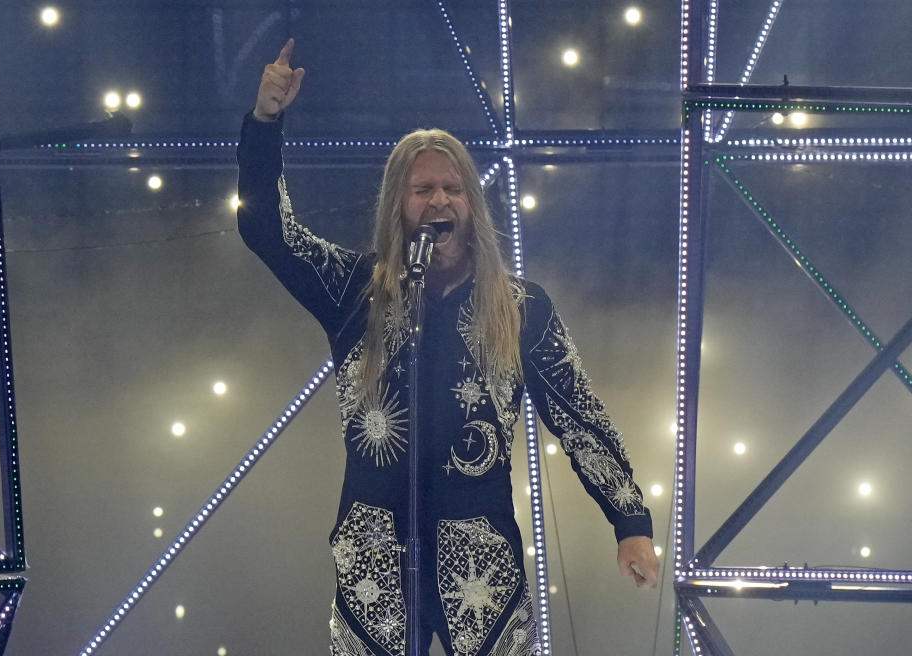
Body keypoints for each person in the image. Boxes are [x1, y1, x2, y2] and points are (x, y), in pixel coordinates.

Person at [238, 39, 659, 656]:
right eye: (422, 190)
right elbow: (266, 230)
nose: (439, 201)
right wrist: (265, 123)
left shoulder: (520, 306)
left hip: (479, 563)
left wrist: (630, 524)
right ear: (398, 208)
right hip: (374, 557)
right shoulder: (356, 291)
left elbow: (580, 418)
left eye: (452, 189)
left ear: (472, 206)